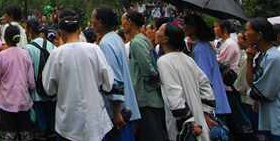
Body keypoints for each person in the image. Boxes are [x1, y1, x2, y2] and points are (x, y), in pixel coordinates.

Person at [42, 9, 115, 141]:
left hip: (68, 121)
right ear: (79, 30)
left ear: (61, 33)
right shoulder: (94, 49)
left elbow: (48, 88)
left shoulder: (56, 54)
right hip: (95, 119)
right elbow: (109, 83)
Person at [156, 23, 217, 141]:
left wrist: (188, 122)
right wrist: (206, 112)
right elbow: (205, 84)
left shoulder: (163, 61)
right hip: (199, 118)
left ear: (166, 38)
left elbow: (173, 93)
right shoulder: (188, 59)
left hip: (186, 126)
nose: (156, 32)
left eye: (160, 30)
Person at [92, 8, 141, 141]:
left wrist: (116, 112)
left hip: (120, 112)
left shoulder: (106, 44)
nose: (91, 22)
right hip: (128, 107)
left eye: (93, 19)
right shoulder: (116, 38)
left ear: (101, 22)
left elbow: (115, 79)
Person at [121, 10, 166, 141]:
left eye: (123, 20)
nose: (122, 24)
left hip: (146, 98)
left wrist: (153, 83)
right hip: (149, 97)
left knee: (152, 134)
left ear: (130, 22)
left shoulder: (137, 42)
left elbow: (147, 69)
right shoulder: (142, 39)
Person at [0, 24, 35, 140]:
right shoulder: (25, 54)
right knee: (25, 134)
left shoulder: (2, 55)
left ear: (5, 38)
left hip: (6, 102)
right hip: (23, 100)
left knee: (8, 135)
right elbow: (31, 82)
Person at [184, 13, 231, 116]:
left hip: (210, 101)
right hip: (215, 97)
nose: (184, 27)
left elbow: (204, 77)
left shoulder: (200, 49)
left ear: (193, 27)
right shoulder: (203, 45)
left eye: (186, 24)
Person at [214, 19, 251, 140]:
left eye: (216, 27)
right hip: (226, 84)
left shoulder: (230, 44)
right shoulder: (224, 42)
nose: (214, 29)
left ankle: (244, 133)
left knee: (236, 112)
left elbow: (220, 61)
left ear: (223, 29)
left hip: (229, 84)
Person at [25, 17, 56, 141]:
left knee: (40, 123)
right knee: (51, 121)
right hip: (52, 91)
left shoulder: (28, 48)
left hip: (36, 92)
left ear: (30, 30)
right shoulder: (52, 46)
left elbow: (27, 72)